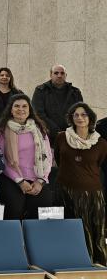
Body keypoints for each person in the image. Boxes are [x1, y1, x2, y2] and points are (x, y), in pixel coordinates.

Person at [56, 102, 107, 264]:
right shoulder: (61, 137)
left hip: (93, 193)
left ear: (90, 118)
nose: (80, 118)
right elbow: (58, 159)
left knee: (97, 231)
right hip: (68, 193)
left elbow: (98, 164)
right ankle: (80, 264)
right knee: (77, 232)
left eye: (84, 114)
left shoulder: (101, 143)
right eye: (76, 115)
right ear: (71, 118)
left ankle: (99, 265)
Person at [0, 94, 53, 220]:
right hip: (12, 178)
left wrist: (41, 181)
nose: (20, 109)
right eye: (16, 106)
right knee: (15, 207)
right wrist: (19, 181)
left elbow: (48, 156)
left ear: (29, 110)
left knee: (43, 206)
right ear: (11, 109)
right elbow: (1, 159)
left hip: (38, 178)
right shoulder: (3, 130)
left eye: (24, 106)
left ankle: (36, 239)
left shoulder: (39, 130)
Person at [32, 64, 83, 137]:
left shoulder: (75, 92)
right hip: (48, 134)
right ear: (51, 75)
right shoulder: (41, 91)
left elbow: (80, 112)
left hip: (71, 134)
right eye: (56, 73)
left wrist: (70, 130)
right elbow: (39, 114)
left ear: (66, 75)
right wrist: (56, 130)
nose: (59, 75)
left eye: (62, 73)